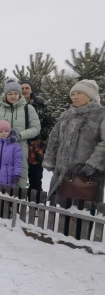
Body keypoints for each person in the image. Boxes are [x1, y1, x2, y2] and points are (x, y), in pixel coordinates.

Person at [43, 80, 105, 238]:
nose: (75, 97)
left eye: (79, 93)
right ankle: (63, 236)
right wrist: (50, 159)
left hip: (87, 174)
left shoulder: (100, 114)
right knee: (64, 205)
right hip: (64, 172)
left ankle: (81, 238)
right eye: (73, 94)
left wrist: (94, 163)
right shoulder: (66, 115)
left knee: (84, 207)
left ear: (90, 96)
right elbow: (54, 138)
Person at [0, 78, 41, 188]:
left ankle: (15, 204)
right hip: (1, 149)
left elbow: (36, 128)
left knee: (18, 179)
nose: (13, 96)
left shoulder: (28, 108)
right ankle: (0, 204)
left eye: (15, 93)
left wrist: (20, 135)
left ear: (20, 95)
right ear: (5, 95)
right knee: (1, 179)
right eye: (10, 93)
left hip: (20, 148)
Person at [21, 81, 53, 195]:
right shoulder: (15, 104)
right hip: (19, 144)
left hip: (36, 145)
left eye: (27, 88)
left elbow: (50, 124)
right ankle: (17, 204)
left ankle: (35, 206)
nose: (24, 90)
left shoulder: (41, 104)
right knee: (19, 176)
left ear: (31, 89)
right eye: (22, 88)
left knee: (35, 177)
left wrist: (41, 136)